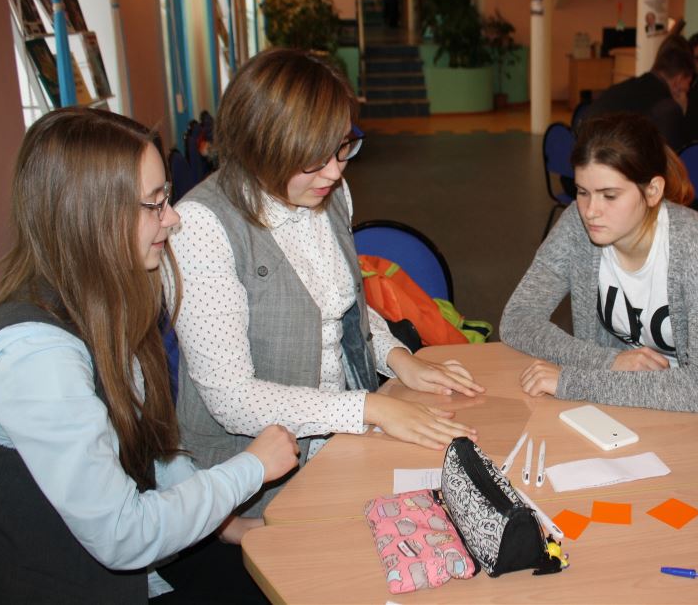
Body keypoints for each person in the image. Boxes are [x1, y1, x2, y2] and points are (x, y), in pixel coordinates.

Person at [0, 108, 300, 603]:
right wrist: (251, 469)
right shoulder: (36, 355)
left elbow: (151, 452)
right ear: (90, 216)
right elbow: (122, 534)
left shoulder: (102, 301)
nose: (172, 218)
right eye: (154, 204)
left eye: (166, 198)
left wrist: (225, 523)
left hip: (143, 570)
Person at [169, 49, 483, 519]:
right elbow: (232, 399)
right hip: (251, 482)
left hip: (338, 439)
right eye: (314, 159)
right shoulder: (202, 226)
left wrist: (399, 359)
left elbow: (342, 302)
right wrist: (370, 410)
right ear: (262, 148)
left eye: (342, 147)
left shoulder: (329, 192)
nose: (335, 171)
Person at [500, 113, 698, 412]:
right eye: (582, 192)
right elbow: (518, 318)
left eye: (609, 196)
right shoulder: (577, 225)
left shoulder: (695, 244)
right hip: (618, 397)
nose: (590, 211)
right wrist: (609, 361)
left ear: (652, 191)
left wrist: (572, 382)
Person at [584, 39, 694, 151]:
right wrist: (682, 112)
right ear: (678, 80)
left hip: (588, 149)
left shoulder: (624, 88)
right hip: (611, 155)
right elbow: (674, 157)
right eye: (688, 82)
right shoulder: (668, 109)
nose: (688, 88)